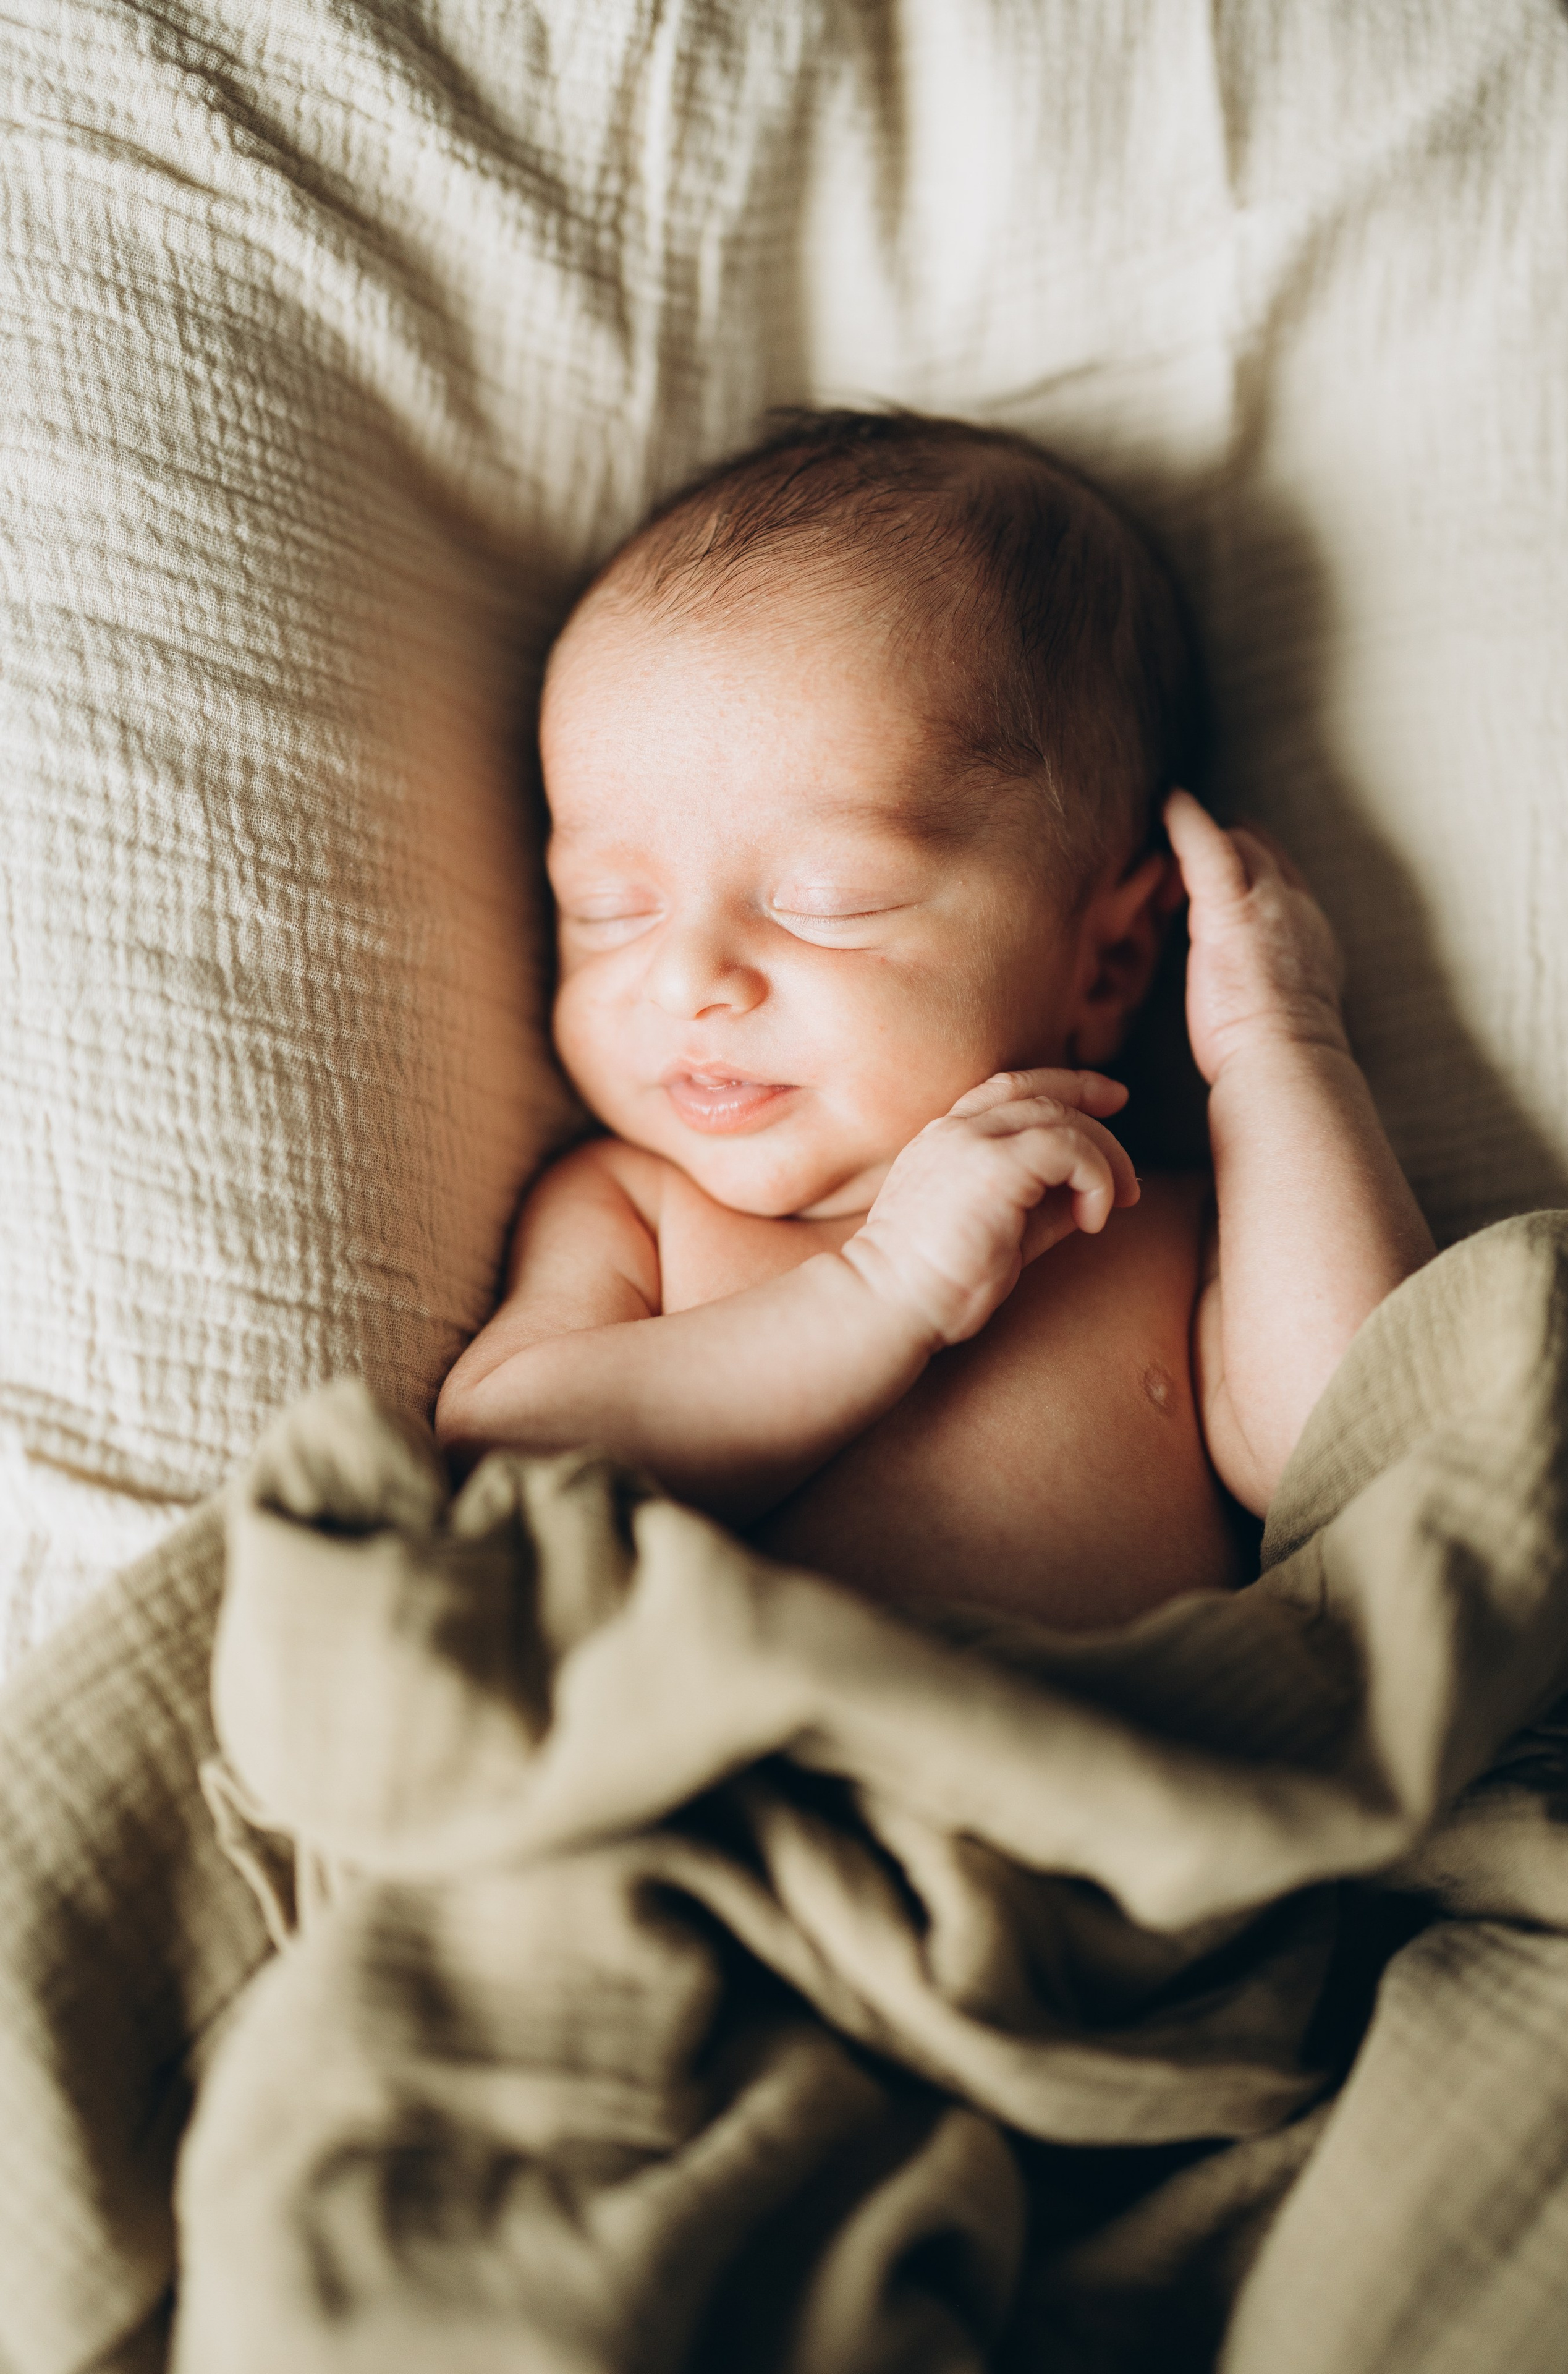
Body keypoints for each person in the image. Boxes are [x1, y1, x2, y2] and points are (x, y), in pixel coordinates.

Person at [436, 412, 1433, 1628]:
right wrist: (876, 1290)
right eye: (606, 910)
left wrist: (1279, 1048)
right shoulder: (634, 1206)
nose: (687, 975)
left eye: (825, 901)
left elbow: (1357, 1451)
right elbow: (506, 1445)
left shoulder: (1145, 1220)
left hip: (1108, 1776)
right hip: (731, 1760)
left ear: (1109, 959)